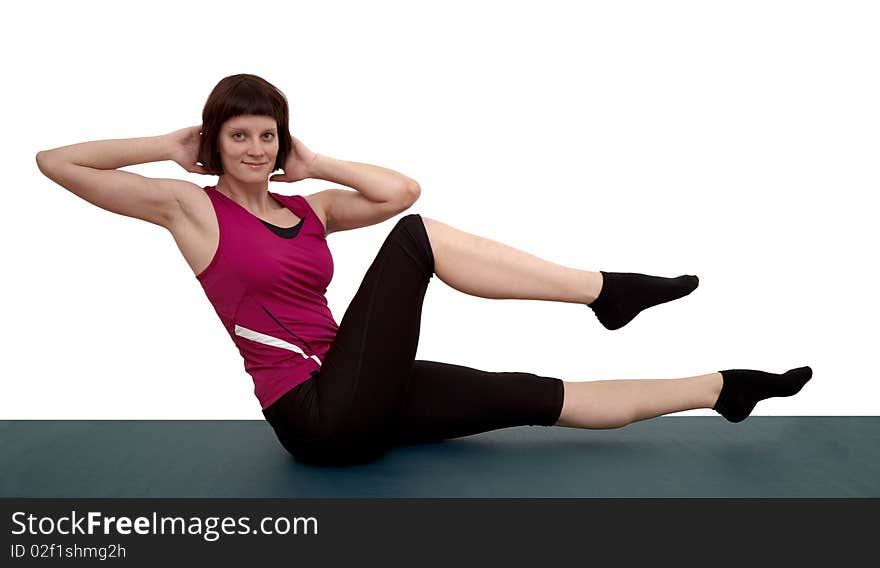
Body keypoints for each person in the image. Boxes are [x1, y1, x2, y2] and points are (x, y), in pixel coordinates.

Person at [35, 73, 812, 466]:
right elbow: (55, 161)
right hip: (314, 415)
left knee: (539, 396)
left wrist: (316, 162)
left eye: (268, 137)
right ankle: (606, 293)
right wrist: (166, 148)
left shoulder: (311, 210)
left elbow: (400, 187)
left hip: (355, 385)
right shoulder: (192, 210)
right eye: (239, 136)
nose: (256, 151)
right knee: (415, 242)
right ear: (214, 141)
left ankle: (722, 388)